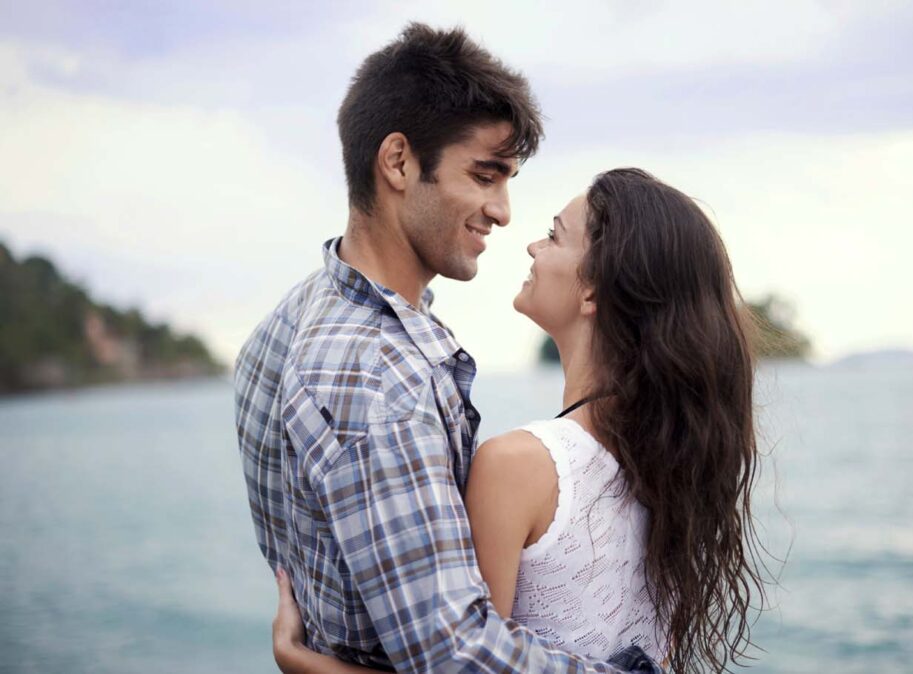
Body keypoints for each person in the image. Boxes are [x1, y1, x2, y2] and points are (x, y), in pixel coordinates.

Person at [234, 23, 663, 673]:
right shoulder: (381, 378)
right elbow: (456, 655)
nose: (504, 211)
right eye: (485, 176)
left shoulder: (290, 321)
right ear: (399, 161)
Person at [270, 168, 767, 674]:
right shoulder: (674, 466)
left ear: (593, 291)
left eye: (554, 236)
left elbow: (457, 664)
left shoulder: (519, 465)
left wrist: (303, 662)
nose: (532, 246)